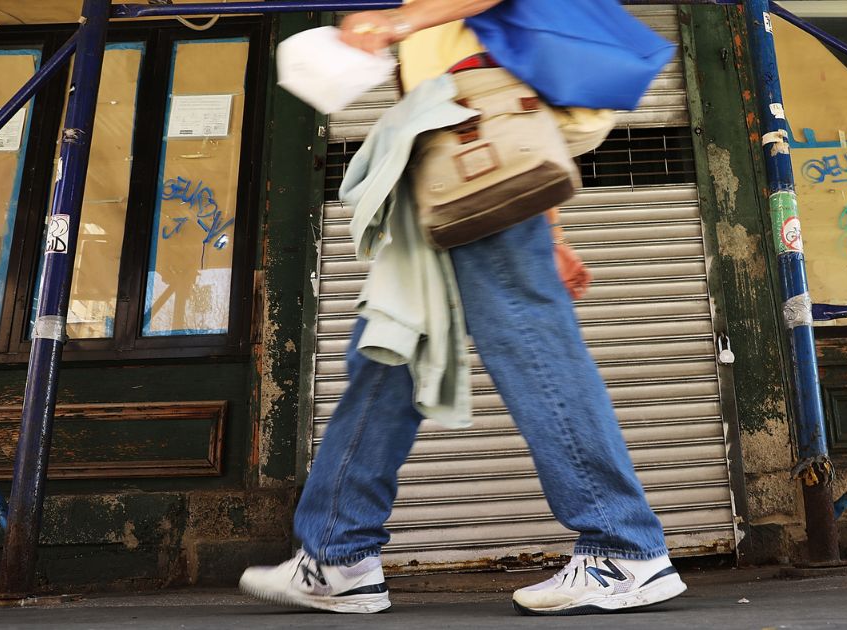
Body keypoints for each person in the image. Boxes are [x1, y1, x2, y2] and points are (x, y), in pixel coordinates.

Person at [239, 0, 685, 616]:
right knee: (389, 347)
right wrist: (549, 232)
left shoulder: (416, 16)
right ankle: (337, 556)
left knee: (531, 344)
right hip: (451, 155)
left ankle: (623, 548)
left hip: (468, 143)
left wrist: (394, 24)